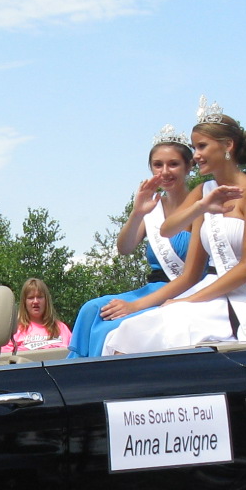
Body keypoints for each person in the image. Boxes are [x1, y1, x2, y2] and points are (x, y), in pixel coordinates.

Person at [102, 97, 246, 354]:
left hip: (238, 301)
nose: (196, 156)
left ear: (227, 145)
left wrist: (187, 301)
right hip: (206, 295)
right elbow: (167, 230)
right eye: (194, 148)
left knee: (166, 327)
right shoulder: (204, 191)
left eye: (202, 146)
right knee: (128, 333)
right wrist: (202, 207)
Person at [66, 127, 199, 357]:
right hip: (152, 287)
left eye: (173, 164)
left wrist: (135, 306)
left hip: (183, 290)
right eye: (158, 165)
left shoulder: (199, 205)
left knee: (115, 327)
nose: (165, 171)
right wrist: (137, 212)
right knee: (91, 310)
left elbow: (192, 274)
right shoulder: (153, 208)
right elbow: (124, 248)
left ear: (188, 166)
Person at [4, 278, 71, 353]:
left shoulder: (61, 328)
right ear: (24, 302)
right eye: (31, 298)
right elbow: (6, 359)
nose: (35, 301)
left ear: (46, 300)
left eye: (39, 297)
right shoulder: (13, 331)